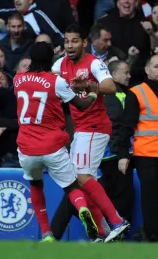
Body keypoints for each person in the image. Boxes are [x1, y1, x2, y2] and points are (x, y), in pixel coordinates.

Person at [14, 41, 100, 242]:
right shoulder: (56, 82)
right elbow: (81, 105)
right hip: (52, 146)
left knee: (35, 185)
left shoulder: (18, 80)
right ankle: (83, 209)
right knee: (71, 187)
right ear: (50, 59)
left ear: (31, 59)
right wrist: (93, 92)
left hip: (27, 148)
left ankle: (46, 233)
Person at [52, 23, 130, 242]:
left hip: (95, 126)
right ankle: (106, 231)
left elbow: (111, 87)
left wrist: (88, 85)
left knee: (82, 177)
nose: (69, 45)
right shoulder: (60, 65)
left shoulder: (94, 63)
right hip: (80, 130)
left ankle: (116, 221)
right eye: (66, 41)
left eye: (74, 40)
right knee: (80, 183)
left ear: (84, 43)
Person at [118, 54, 158, 241]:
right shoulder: (137, 92)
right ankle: (151, 235)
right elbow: (126, 127)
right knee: (150, 197)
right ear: (147, 70)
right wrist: (123, 154)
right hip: (147, 155)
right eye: (156, 66)